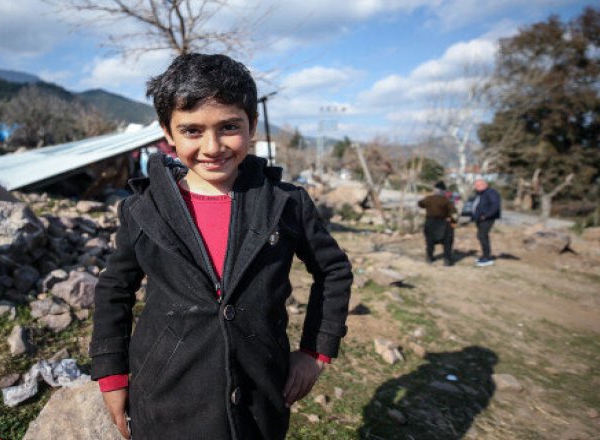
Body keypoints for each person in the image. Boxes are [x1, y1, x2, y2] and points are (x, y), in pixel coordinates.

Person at [89, 53, 353, 440]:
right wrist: (111, 375)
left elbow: (333, 271)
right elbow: (114, 290)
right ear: (167, 132)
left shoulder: (286, 203)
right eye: (192, 130)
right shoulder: (142, 210)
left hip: (258, 394)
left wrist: (316, 350)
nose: (213, 147)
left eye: (229, 126)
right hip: (165, 394)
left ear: (252, 126)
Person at [418, 181, 457, 266]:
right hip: (443, 222)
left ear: (435, 189)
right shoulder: (447, 200)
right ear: (443, 190)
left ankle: (429, 257)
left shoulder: (428, 198)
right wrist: (453, 222)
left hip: (430, 222)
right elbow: (453, 212)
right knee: (447, 242)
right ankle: (447, 260)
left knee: (430, 241)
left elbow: (420, 204)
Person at [470, 179, 501, 266]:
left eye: (478, 185)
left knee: (482, 235)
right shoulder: (480, 193)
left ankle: (487, 258)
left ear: (485, 184)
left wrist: (486, 215)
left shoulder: (491, 192)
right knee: (481, 236)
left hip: (487, 219)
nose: (476, 187)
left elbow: (495, 206)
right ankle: (485, 255)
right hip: (479, 219)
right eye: (476, 185)